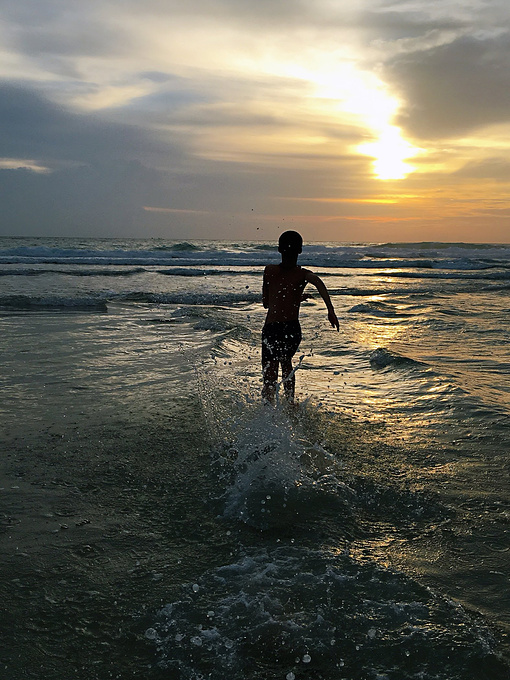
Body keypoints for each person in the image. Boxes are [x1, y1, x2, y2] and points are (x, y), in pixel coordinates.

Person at [261, 230, 339, 404]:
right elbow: (318, 282)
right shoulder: (302, 274)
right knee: (286, 363)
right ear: (300, 251)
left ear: (279, 249)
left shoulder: (269, 271)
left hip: (272, 328)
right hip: (291, 328)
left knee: (270, 374)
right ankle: (290, 404)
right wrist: (330, 310)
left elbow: (267, 303)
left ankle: (268, 410)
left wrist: (288, 298)